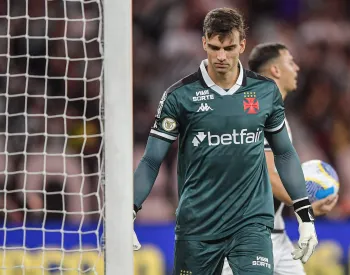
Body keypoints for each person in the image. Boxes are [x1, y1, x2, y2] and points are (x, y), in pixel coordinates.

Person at [132, 8, 318, 275]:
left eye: (229, 48)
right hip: (197, 227)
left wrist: (305, 216)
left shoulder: (264, 92)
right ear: (204, 42)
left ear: (242, 45)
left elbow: (285, 154)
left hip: (251, 225)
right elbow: (151, 160)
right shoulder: (180, 96)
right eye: (215, 47)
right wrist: (131, 210)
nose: (221, 56)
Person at [222, 43, 339, 275]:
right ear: (275, 70)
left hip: (274, 234)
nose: (296, 68)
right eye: (290, 62)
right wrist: (307, 206)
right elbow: (266, 174)